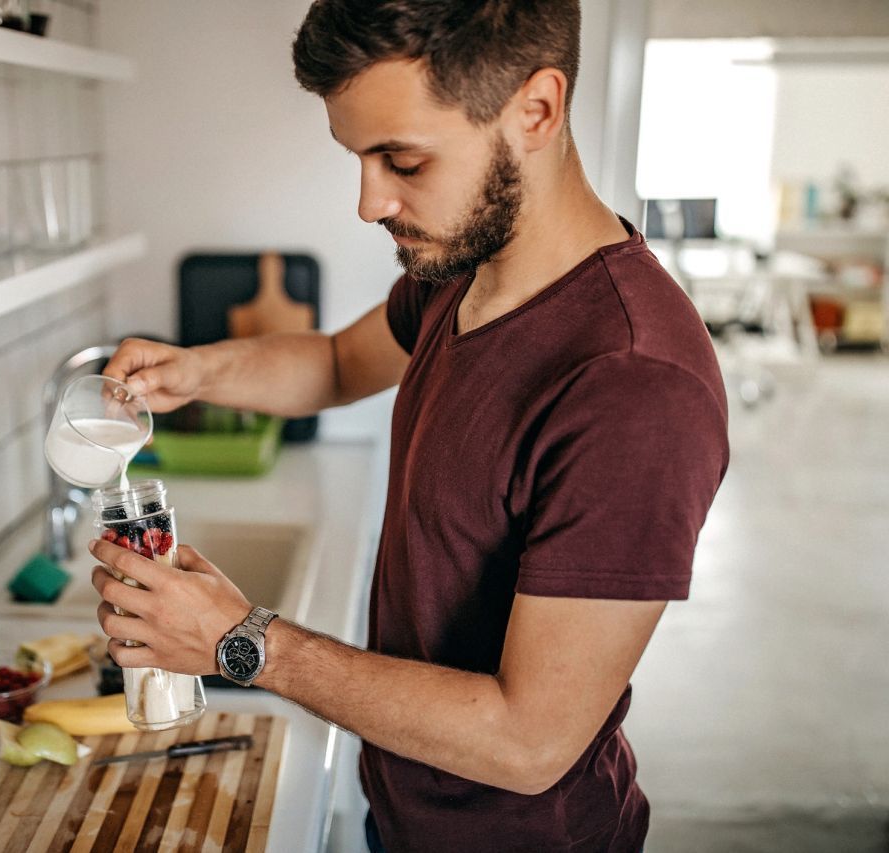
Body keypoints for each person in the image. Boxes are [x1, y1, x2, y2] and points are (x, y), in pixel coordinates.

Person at [89, 1, 730, 850]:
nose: (369, 201)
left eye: (403, 159)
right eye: (359, 157)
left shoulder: (634, 385)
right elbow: (335, 363)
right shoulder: (461, 271)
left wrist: (241, 641)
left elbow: (529, 740)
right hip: (403, 814)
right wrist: (201, 369)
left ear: (535, 110)